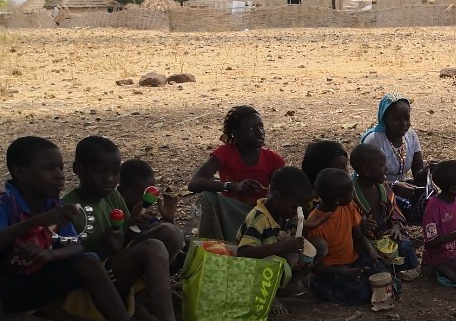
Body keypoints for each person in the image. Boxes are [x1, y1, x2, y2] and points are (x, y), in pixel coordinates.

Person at [0, 136, 187, 321]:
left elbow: (74, 246)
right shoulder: (4, 205)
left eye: (60, 168)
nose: (59, 175)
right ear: (20, 172)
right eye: (49, 169)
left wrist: (50, 254)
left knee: (87, 261)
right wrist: (38, 221)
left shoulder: (52, 205)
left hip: (33, 286)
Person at [62, 136, 212, 321]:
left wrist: (133, 224)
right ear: (77, 169)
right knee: (154, 248)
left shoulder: (112, 196)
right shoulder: (69, 209)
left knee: (171, 233)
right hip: (96, 282)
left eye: (115, 173)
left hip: (118, 265)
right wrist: (103, 248)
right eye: (101, 171)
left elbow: (125, 238)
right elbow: (74, 265)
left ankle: (142, 306)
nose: (109, 179)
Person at [188, 105, 285, 241]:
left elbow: (281, 194)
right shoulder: (225, 153)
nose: (260, 132)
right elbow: (194, 183)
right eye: (251, 129)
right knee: (207, 197)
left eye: (261, 126)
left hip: (260, 217)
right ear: (235, 133)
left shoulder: (273, 159)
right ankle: (214, 246)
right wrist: (233, 186)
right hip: (230, 213)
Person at [305, 168, 395, 305]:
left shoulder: (347, 206)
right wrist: (345, 272)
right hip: (331, 269)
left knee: (390, 282)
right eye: (350, 191)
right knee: (361, 293)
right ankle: (318, 287)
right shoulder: (315, 223)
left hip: (354, 260)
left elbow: (358, 235)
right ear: (338, 200)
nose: (354, 194)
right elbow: (316, 267)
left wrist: (372, 252)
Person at [236, 166, 324, 284]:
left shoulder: (285, 212)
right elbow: (243, 253)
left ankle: (292, 282)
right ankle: (280, 288)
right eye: (294, 207)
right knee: (292, 256)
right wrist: (280, 247)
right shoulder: (259, 218)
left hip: (276, 259)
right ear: (277, 196)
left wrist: (305, 227)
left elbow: (294, 235)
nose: (296, 212)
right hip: (252, 267)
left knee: (320, 246)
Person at [349, 143, 420, 275]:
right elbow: (346, 223)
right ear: (366, 170)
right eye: (382, 165)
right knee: (367, 259)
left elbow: (394, 212)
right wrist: (359, 226)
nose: (386, 169)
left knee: (405, 245)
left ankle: (400, 270)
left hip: (385, 235)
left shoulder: (383, 188)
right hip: (364, 242)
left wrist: (396, 227)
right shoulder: (351, 195)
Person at [359, 92, 428, 224]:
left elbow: (418, 173)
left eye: (407, 118)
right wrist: (394, 186)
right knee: (402, 204)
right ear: (384, 119)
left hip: (403, 186)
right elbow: (367, 180)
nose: (404, 123)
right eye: (397, 119)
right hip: (378, 190)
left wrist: (428, 171)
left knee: (429, 193)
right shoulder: (374, 140)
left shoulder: (411, 136)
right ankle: (398, 221)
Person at [118, 158, 177, 235]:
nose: (147, 200)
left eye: (151, 193)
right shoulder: (117, 219)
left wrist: (168, 220)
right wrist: (131, 227)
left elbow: (172, 239)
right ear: (122, 192)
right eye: (140, 194)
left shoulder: (150, 220)